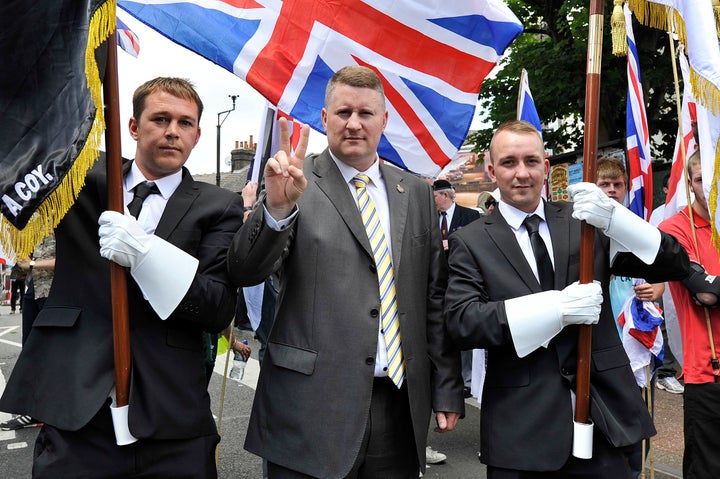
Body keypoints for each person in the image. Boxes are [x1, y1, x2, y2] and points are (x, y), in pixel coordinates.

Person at [0, 77, 244, 478]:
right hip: (77, 412)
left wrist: (146, 255)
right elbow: (30, 134)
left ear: (198, 135)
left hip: (170, 417)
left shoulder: (219, 205)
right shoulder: (80, 176)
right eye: (160, 118)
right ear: (133, 126)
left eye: (185, 123)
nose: (172, 131)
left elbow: (216, 306)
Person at [228, 65, 464, 478]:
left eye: (366, 113)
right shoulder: (294, 182)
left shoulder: (416, 194)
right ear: (324, 118)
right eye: (343, 113)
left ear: (384, 120)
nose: (354, 124)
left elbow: (433, 299)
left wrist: (446, 387)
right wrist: (277, 209)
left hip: (397, 407)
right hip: (308, 409)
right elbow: (245, 270)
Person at [445, 120, 690, 478]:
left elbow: (673, 263)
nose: (522, 173)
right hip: (523, 432)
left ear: (546, 166)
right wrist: (555, 309)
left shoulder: (585, 223)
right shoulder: (470, 241)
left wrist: (615, 218)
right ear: (490, 169)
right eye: (509, 162)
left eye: (531, 161)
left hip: (606, 420)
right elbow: (463, 322)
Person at [659, 151, 720, 479]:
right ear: (691, 184)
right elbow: (705, 292)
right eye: (703, 181)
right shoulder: (676, 228)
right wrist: (710, 289)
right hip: (709, 373)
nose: (713, 188)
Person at [0, 233, 55, 431]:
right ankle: (33, 411)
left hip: (54, 293)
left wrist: (32, 264)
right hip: (34, 289)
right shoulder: (34, 226)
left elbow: (69, 260)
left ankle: (54, 410)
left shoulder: (63, 216)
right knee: (30, 352)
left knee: (54, 354)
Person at [648, 171, 685, 394]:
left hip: (686, 274)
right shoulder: (659, 214)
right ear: (665, 190)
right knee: (665, 322)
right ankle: (666, 372)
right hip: (664, 275)